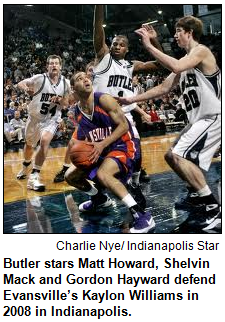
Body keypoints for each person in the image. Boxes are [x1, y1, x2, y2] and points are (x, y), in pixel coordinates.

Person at [119, 16, 221, 231]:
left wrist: (148, 45)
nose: (175, 35)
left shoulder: (201, 51)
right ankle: (196, 194)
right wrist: (132, 99)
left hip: (213, 117)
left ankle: (212, 207)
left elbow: (174, 65)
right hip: (198, 119)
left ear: (189, 33)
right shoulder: (185, 63)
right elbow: (163, 88)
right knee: (170, 156)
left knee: (177, 155)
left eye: (178, 31)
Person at [64, 71, 155, 233]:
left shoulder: (103, 99)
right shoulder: (78, 112)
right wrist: (77, 146)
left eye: (86, 76)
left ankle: (142, 216)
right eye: (79, 78)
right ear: (73, 89)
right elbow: (84, 138)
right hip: (105, 150)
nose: (85, 79)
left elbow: (124, 126)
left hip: (124, 145)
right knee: (70, 176)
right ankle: (99, 198)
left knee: (103, 174)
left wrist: (101, 144)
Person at [92, 5, 160, 203]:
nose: (115, 46)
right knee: (97, 161)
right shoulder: (103, 57)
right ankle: (100, 196)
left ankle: (135, 183)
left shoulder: (131, 65)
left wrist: (153, 39)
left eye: (120, 44)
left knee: (136, 152)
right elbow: (98, 28)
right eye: (114, 43)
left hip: (124, 116)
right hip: (102, 117)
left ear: (127, 49)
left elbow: (161, 64)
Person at [16, 55, 71, 191]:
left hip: (51, 119)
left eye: (56, 63)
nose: (54, 65)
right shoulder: (40, 78)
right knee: (29, 146)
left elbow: (66, 104)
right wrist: (26, 89)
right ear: (47, 66)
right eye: (51, 63)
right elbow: (21, 83)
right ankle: (25, 166)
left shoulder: (66, 83)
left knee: (45, 141)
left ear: (60, 66)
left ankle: (34, 176)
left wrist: (59, 99)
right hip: (34, 118)